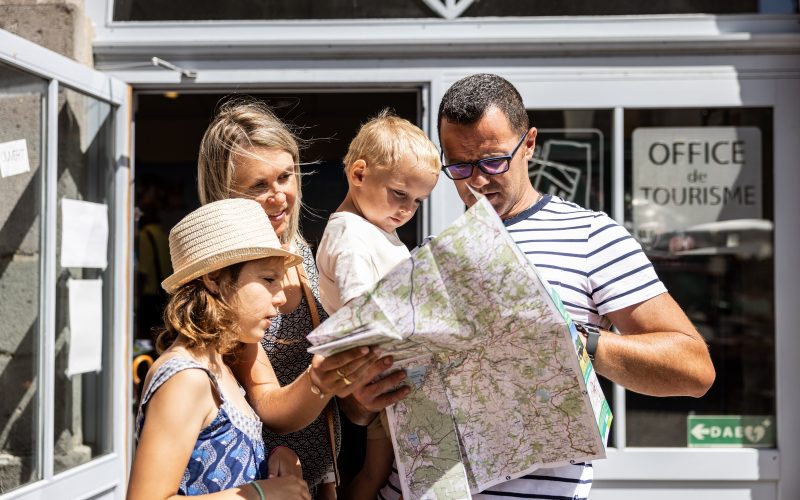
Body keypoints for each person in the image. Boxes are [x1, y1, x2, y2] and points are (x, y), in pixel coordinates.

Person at [370, 73, 716, 499]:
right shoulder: (430, 254)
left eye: (493, 161)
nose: (476, 181)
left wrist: (575, 340)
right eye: (459, 166)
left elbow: (694, 369)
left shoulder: (591, 236)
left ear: (529, 143)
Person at [197, 99, 391, 500]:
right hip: (259, 486)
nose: (279, 195)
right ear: (222, 194)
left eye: (286, 176)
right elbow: (267, 405)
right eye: (258, 186)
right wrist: (327, 378)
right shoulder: (223, 283)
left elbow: (350, 408)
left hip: (325, 480)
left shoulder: (307, 255)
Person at [128, 198, 311, 499]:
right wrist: (260, 494)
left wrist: (277, 455)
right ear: (214, 278)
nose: (280, 297)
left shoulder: (219, 363)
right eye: (268, 279)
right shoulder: (185, 377)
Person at [314, 110, 440, 499]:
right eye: (400, 194)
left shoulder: (376, 229)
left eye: (418, 201)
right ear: (358, 174)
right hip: (378, 375)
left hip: (392, 372)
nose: (406, 210)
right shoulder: (351, 235)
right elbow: (362, 313)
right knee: (376, 474)